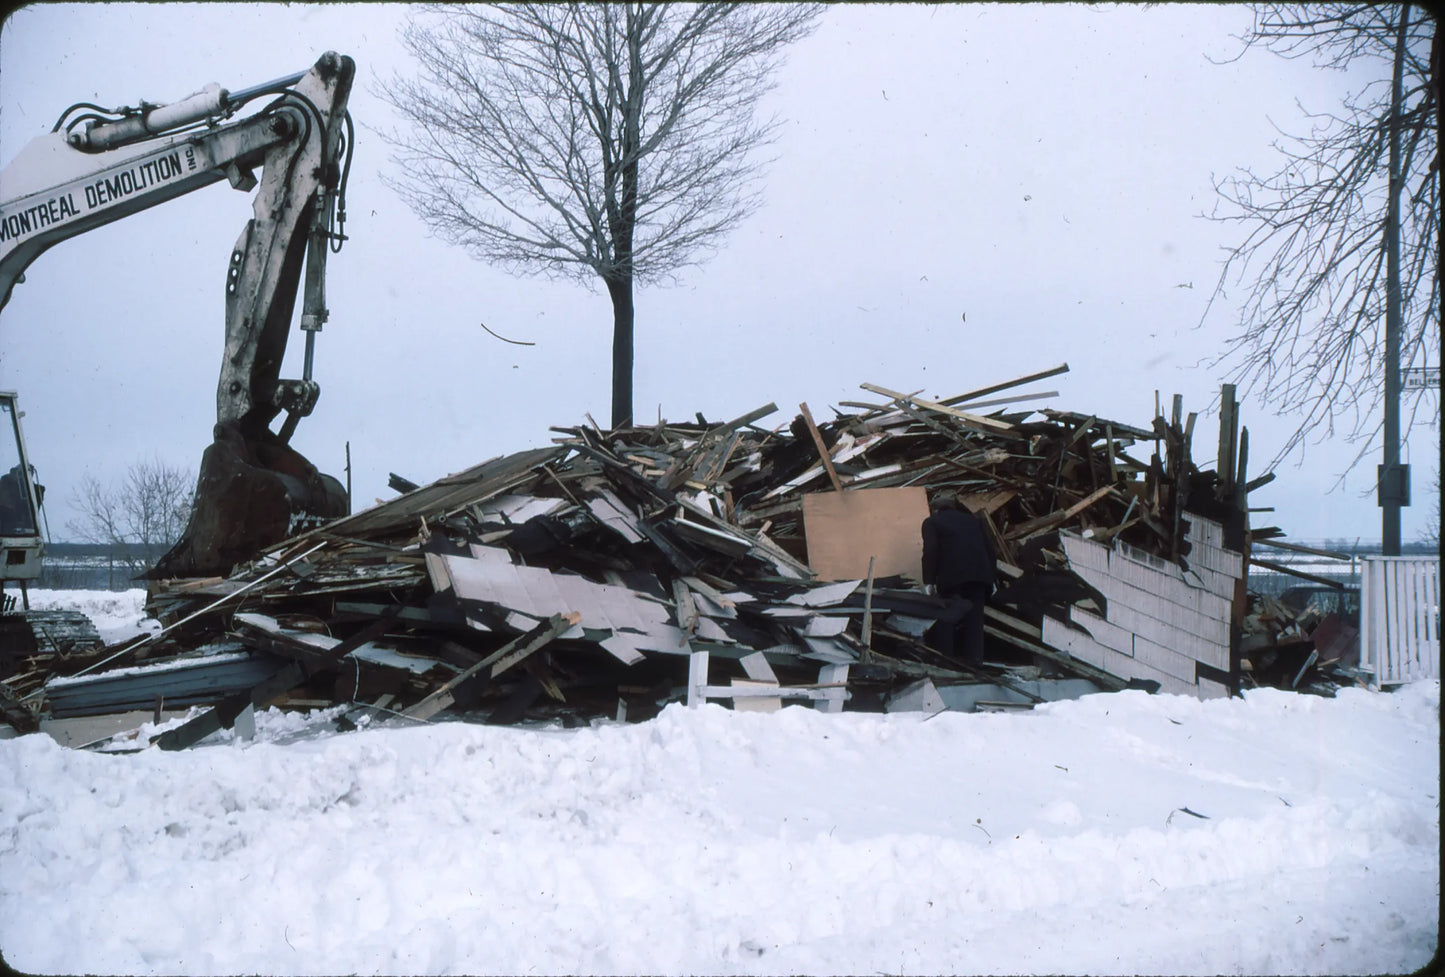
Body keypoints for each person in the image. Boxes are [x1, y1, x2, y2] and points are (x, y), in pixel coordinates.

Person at [920, 490, 996, 666]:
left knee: (947, 618)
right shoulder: (973, 521)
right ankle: (975, 661)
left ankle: (945, 660)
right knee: (975, 621)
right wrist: (992, 578)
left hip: (952, 578)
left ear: (935, 509)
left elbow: (930, 551)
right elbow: (990, 551)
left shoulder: (932, 522)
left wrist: (929, 581)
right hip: (979, 576)